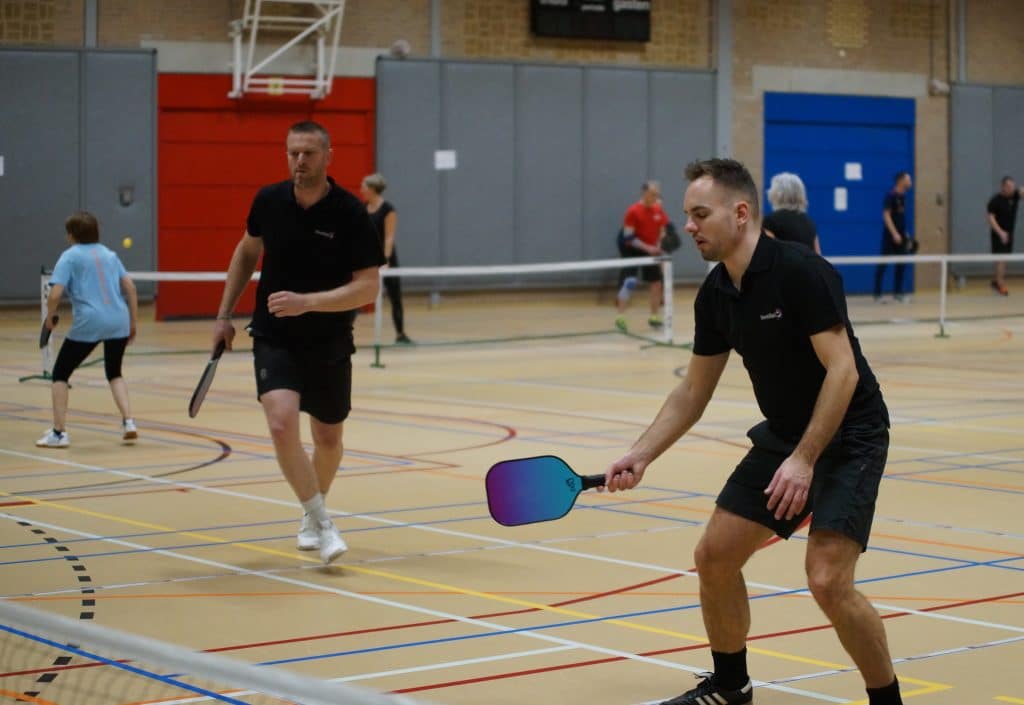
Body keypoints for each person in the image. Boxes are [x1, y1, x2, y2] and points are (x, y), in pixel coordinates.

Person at [604, 159, 902, 705]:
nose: (688, 226)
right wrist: (641, 454)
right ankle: (730, 685)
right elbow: (693, 392)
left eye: (700, 214)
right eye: (686, 215)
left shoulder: (802, 273)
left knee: (828, 580)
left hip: (849, 435)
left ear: (740, 214)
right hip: (786, 436)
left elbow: (844, 371)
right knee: (714, 557)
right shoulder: (717, 295)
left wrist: (805, 459)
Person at [211, 121, 385, 565]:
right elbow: (247, 250)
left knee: (327, 437)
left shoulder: (350, 214)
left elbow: (368, 288)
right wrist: (224, 314)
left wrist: (309, 302)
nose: (299, 162)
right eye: (292, 153)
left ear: (328, 156)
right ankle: (321, 521)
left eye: (308, 153)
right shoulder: (269, 201)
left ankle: (314, 508)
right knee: (281, 423)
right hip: (275, 335)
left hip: (329, 339)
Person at [37, 212, 139, 448]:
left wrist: (51, 317)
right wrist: (132, 322)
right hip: (119, 319)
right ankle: (129, 422)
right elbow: (131, 288)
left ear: (71, 235)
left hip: (90, 321)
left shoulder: (69, 257)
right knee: (114, 372)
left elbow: (54, 294)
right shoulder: (110, 254)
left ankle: (59, 433)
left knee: (60, 373)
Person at [360, 173, 412, 343]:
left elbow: (389, 237)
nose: (361, 189)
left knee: (395, 296)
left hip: (386, 259)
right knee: (358, 293)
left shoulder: (388, 209)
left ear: (373, 189)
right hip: (367, 258)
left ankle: (400, 334)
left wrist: (386, 261)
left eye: (364, 186)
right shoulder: (363, 208)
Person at [616, 180, 667, 332]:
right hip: (632, 248)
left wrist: (658, 244)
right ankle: (621, 317)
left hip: (650, 247)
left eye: (657, 194)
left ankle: (654, 317)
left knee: (656, 283)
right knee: (629, 281)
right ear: (644, 193)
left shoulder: (658, 209)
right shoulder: (633, 211)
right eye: (653, 194)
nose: (655, 197)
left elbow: (662, 230)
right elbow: (628, 237)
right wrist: (648, 248)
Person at [872, 171, 913, 302]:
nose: (910, 182)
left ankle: (898, 293)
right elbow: (886, 215)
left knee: (901, 264)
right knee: (883, 264)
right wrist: (894, 233)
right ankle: (877, 294)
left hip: (901, 237)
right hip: (890, 236)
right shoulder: (890, 195)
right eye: (908, 179)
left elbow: (900, 217)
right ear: (901, 181)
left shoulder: (903, 197)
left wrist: (904, 233)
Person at [763, 172, 821, 254]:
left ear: (776, 194)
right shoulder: (809, 222)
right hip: (807, 267)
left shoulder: (770, 221)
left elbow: (766, 253)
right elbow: (818, 256)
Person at [987, 175, 1024, 296]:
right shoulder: (995, 201)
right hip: (999, 234)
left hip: (1009, 233)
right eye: (1009, 186)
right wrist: (1000, 232)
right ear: (1003, 187)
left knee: (1004, 259)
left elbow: (1022, 191)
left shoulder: (1015, 195)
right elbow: (990, 218)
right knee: (1001, 259)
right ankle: (1000, 284)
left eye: (1013, 186)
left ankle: (996, 281)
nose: (1011, 189)